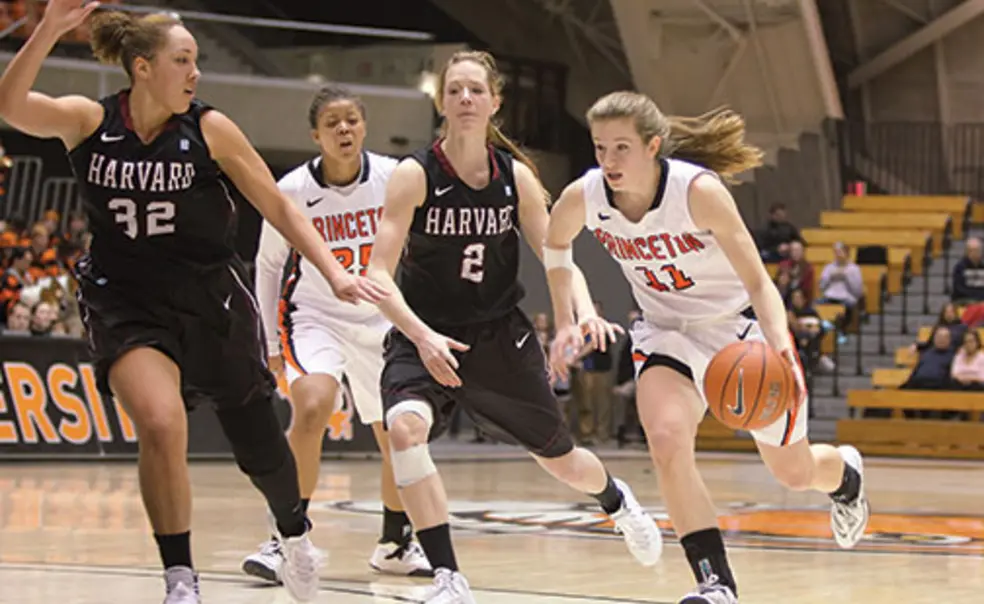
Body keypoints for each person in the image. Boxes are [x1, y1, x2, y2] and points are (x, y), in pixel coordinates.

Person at [0, 2, 387, 602]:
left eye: (197, 60)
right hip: (126, 301)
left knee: (259, 447)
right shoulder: (88, 121)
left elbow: (279, 208)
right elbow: (10, 105)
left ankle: (294, 533)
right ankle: (181, 578)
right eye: (182, 60)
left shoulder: (209, 129)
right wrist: (48, 28)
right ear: (142, 67)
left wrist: (332, 270)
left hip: (211, 302)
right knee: (160, 423)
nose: (195, 72)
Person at [543, 91, 870, 604]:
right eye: (600, 147)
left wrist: (781, 345)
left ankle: (845, 477)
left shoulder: (698, 192)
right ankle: (715, 584)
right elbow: (555, 244)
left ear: (653, 147)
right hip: (664, 331)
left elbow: (761, 283)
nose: (608, 161)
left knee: (794, 471)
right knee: (667, 441)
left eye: (621, 148)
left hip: (737, 332)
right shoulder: (585, 197)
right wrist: (572, 315)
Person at [365, 51, 662, 603]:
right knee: (405, 432)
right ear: (441, 102)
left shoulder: (515, 178)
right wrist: (422, 336)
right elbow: (378, 273)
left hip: (499, 336)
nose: (465, 100)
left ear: (495, 101)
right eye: (454, 91)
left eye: (476, 90)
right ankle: (449, 578)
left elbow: (557, 250)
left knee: (566, 464)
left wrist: (584, 312)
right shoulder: (415, 174)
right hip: (425, 333)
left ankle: (618, 503)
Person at [243, 85, 431, 582]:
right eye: (333, 123)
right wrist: (268, 344)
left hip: (383, 320)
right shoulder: (291, 190)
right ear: (315, 135)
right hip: (315, 316)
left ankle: (394, 542)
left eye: (351, 120)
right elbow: (267, 267)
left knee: (398, 433)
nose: (344, 129)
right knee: (310, 407)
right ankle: (286, 537)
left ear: (364, 126)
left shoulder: (395, 177)